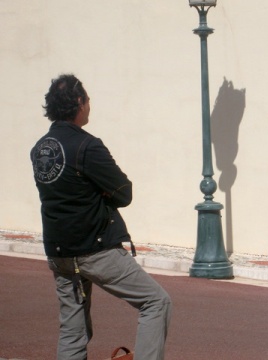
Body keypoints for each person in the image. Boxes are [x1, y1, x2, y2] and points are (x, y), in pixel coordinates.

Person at [30, 74, 172, 360]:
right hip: (95, 249)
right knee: (156, 301)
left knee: (73, 330)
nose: (90, 104)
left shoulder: (39, 149)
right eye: (88, 99)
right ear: (79, 103)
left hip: (59, 252)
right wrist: (100, 192)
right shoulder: (87, 146)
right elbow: (124, 192)